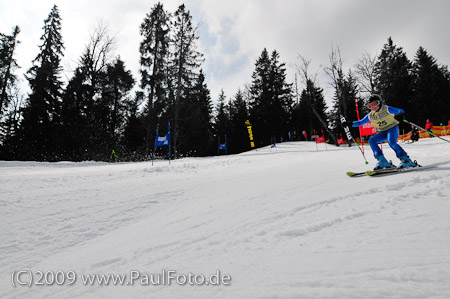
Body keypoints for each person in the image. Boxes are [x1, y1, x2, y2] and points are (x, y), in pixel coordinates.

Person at [350, 94, 417, 169]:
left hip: (392, 129)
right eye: (370, 106)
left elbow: (400, 110)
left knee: (391, 142)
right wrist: (349, 123)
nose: (373, 107)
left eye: (375, 104)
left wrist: (400, 114)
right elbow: (360, 123)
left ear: (380, 103)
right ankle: (383, 161)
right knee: (372, 140)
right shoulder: (371, 115)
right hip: (382, 132)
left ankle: (406, 160)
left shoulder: (387, 109)